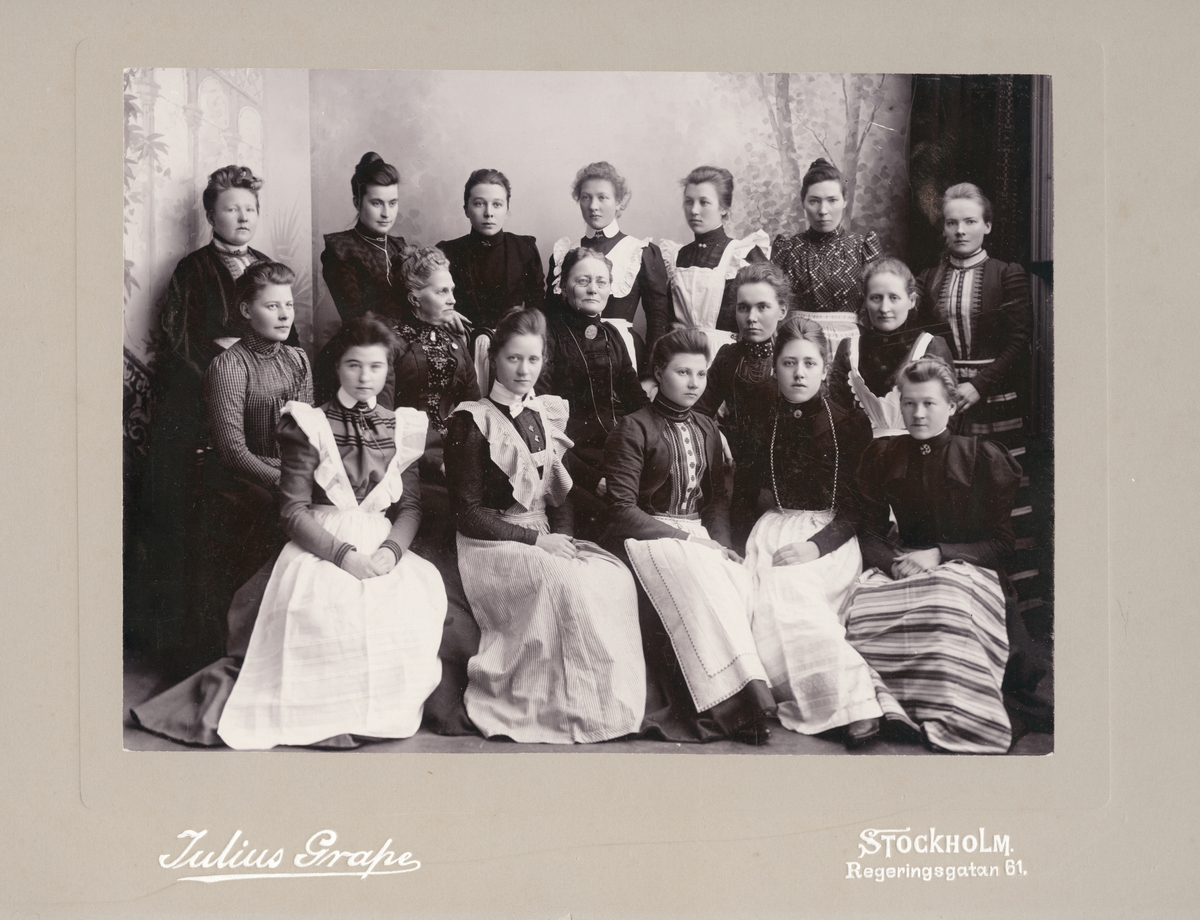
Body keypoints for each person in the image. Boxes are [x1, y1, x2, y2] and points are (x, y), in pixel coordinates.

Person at [133, 316, 446, 749]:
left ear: (387, 370)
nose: (364, 377)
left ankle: (376, 709)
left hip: (382, 543)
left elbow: (409, 507)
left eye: (375, 367)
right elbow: (293, 511)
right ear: (337, 367)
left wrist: (391, 552)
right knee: (328, 613)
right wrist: (345, 556)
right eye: (354, 365)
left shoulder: (402, 427)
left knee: (408, 607)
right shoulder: (309, 423)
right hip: (321, 540)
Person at [444, 307, 646, 743]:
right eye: (514, 358)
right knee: (562, 581)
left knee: (613, 577)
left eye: (533, 359)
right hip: (492, 541)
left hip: (543, 536)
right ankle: (555, 706)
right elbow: (467, 513)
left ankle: (603, 703)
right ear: (495, 358)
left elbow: (560, 492)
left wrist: (563, 537)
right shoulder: (471, 420)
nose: (523, 370)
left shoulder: (542, 413)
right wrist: (537, 541)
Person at [603, 328, 775, 745]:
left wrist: (722, 546)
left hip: (695, 534)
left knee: (736, 578)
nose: (694, 383)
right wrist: (687, 541)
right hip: (646, 536)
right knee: (697, 579)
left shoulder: (707, 428)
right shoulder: (633, 427)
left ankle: (750, 697)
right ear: (659, 372)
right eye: (683, 372)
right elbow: (622, 509)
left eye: (701, 374)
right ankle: (727, 709)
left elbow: (715, 502)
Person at [133, 164, 274, 671]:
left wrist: (261, 374)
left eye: (250, 208)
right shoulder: (192, 270)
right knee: (196, 513)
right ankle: (196, 647)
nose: (243, 217)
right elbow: (180, 344)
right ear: (212, 215)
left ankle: (256, 640)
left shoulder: (268, 269)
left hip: (261, 405)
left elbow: (288, 340)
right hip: (200, 405)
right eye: (232, 208)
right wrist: (228, 370)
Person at [843, 356, 1023, 753]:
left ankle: (952, 711)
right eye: (909, 403)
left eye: (929, 403)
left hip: (969, 570)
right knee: (859, 610)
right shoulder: (885, 454)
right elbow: (869, 532)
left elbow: (1001, 543)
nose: (918, 413)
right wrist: (893, 564)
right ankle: (886, 707)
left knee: (944, 603)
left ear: (952, 406)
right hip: (904, 566)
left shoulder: (980, 457)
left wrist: (940, 555)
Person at [733, 315, 879, 747]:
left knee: (793, 592)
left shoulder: (848, 424)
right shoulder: (759, 420)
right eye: (789, 363)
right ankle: (809, 696)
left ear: (824, 368)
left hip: (830, 537)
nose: (799, 374)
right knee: (760, 597)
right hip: (772, 529)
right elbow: (743, 495)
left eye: (809, 364)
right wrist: (734, 549)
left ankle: (854, 701)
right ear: (775, 366)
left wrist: (816, 547)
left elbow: (857, 508)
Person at [193, 261, 314, 664]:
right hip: (239, 480)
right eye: (272, 306)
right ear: (246, 310)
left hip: (289, 474)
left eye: (288, 305)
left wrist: (306, 477)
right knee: (280, 520)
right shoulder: (229, 365)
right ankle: (252, 647)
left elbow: (307, 433)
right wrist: (287, 482)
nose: (284, 315)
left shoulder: (297, 359)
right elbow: (232, 451)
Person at [537, 247, 650, 536]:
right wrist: (591, 478)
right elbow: (542, 422)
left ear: (610, 288)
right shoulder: (548, 335)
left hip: (616, 453)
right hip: (570, 460)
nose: (593, 289)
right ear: (564, 287)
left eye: (601, 281)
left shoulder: (612, 335)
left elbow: (637, 402)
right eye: (583, 281)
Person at [916, 183, 1031, 450]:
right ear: (944, 229)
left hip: (994, 394)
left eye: (970, 221)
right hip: (943, 393)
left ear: (987, 226)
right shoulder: (927, 278)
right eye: (951, 223)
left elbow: (1020, 341)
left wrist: (979, 386)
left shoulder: (1006, 274)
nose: (960, 230)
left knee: (993, 467)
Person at [546, 161, 670, 372]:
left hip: (621, 354)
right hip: (571, 355)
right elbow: (550, 317)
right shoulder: (564, 252)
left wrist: (652, 374)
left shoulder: (639, 251)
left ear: (619, 202)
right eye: (586, 197)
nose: (593, 206)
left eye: (602, 197)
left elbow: (657, 320)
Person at [437, 168, 546, 388]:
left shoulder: (524, 248)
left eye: (497, 204)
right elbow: (431, 296)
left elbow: (538, 308)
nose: (489, 213)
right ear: (466, 209)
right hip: (461, 347)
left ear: (507, 209)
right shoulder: (448, 251)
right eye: (479, 204)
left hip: (512, 352)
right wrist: (444, 311)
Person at [829, 257, 954, 437]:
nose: (884, 308)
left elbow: (946, 418)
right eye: (876, 298)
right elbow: (838, 412)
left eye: (894, 298)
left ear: (911, 300)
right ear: (865, 301)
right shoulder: (850, 348)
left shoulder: (931, 346)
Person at [771, 158, 882, 355]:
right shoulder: (788, 249)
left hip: (851, 347)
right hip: (797, 345)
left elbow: (879, 304)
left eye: (832, 200)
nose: (823, 211)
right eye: (814, 201)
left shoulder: (861, 248)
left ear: (845, 201)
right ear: (803, 203)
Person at [658, 165, 770, 354]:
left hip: (726, 355)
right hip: (681, 353)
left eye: (704, 202)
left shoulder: (742, 254)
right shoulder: (674, 255)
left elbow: (765, 314)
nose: (694, 210)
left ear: (724, 208)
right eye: (689, 201)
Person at [694, 261, 789, 475]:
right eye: (743, 308)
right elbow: (699, 410)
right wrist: (715, 433)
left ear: (782, 311)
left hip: (782, 468)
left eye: (762, 307)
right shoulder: (728, 356)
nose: (751, 318)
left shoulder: (793, 358)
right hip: (736, 464)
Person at [320, 152, 409, 323]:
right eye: (376, 203)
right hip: (368, 337)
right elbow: (357, 319)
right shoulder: (341, 250)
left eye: (392, 203)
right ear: (357, 202)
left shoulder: (399, 247)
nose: (386, 213)